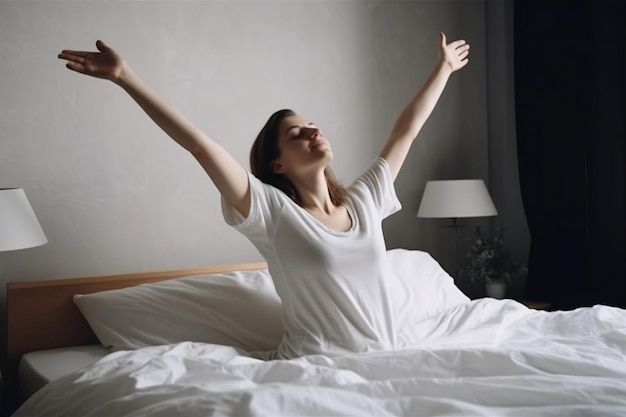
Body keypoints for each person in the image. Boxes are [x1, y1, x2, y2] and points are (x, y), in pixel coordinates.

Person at [58, 32, 470, 359]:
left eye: (312, 125)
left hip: (387, 358)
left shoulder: (364, 201)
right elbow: (200, 145)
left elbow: (405, 132)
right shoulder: (273, 212)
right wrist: (125, 76)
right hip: (316, 366)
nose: (313, 131)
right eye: (296, 133)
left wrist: (444, 69)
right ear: (277, 165)